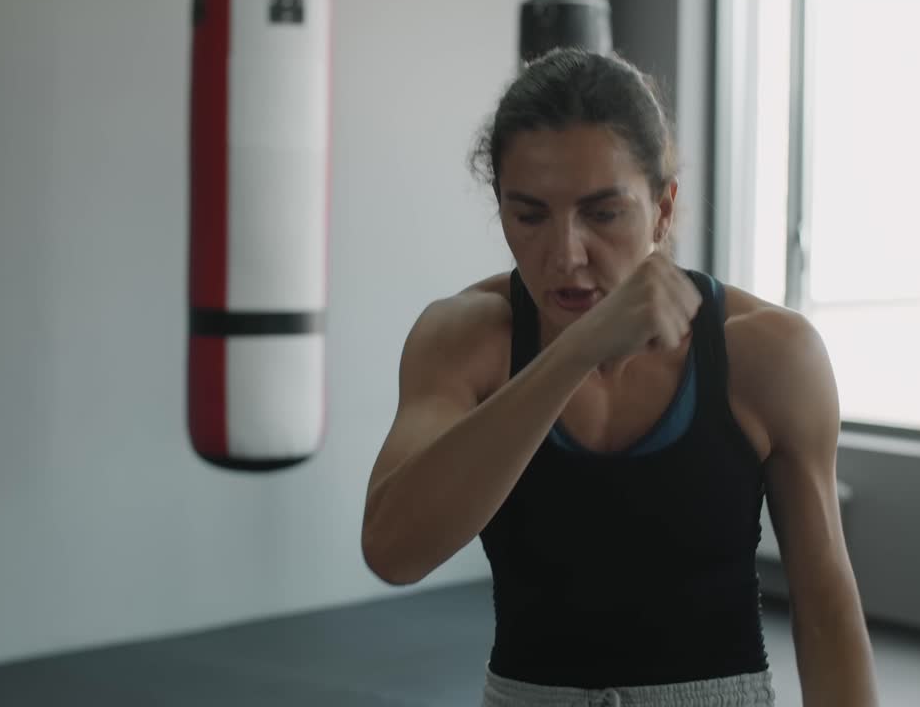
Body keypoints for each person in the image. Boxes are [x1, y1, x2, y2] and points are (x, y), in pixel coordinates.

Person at [360, 48, 879, 707]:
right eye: (530, 215)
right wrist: (576, 352)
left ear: (663, 208)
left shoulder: (769, 353)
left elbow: (826, 608)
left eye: (602, 214)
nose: (566, 253)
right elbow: (392, 550)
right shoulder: (465, 340)